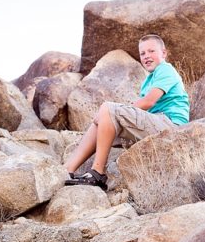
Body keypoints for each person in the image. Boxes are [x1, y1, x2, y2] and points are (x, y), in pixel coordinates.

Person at [64, 34, 190, 189]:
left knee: (107, 109)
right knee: (101, 121)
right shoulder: (148, 79)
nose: (146, 56)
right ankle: (67, 170)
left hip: (171, 125)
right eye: (142, 53)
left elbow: (148, 102)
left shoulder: (166, 70)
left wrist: (113, 113)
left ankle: (97, 172)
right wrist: (108, 118)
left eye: (151, 51)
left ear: (163, 53)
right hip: (155, 122)